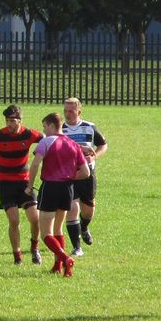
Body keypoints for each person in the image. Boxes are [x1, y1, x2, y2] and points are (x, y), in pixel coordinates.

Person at [0, 104, 43, 265]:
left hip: (24, 183)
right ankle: (17, 256)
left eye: (13, 121)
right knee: (14, 220)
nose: (9, 124)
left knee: (35, 218)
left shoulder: (30, 134)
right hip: (5, 183)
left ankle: (34, 248)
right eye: (7, 120)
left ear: (20, 121)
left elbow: (50, 141)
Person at [27, 112, 90, 277]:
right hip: (67, 189)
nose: (44, 130)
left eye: (44, 127)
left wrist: (29, 186)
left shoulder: (46, 141)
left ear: (51, 126)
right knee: (58, 229)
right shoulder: (73, 144)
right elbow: (85, 172)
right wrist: (68, 177)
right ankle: (58, 266)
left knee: (45, 233)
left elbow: (34, 165)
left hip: (50, 187)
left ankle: (65, 259)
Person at [61, 97, 108, 256]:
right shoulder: (60, 128)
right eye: (65, 111)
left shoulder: (89, 127)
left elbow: (103, 145)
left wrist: (94, 157)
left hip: (87, 174)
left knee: (88, 211)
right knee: (72, 207)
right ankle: (77, 247)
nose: (68, 114)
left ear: (79, 111)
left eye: (71, 111)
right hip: (68, 174)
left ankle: (84, 227)